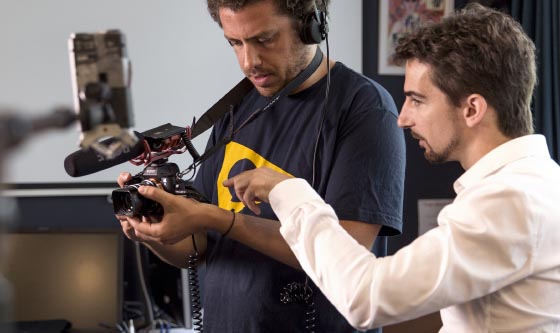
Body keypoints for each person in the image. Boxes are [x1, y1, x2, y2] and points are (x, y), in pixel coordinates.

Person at [223, 3, 560, 332]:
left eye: (417, 100)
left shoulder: (510, 201)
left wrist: (288, 191)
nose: (403, 118)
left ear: (472, 109)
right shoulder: (535, 185)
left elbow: (366, 299)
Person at [116, 0, 406, 332]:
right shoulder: (236, 109)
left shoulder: (366, 110)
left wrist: (216, 218)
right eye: (235, 43)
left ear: (311, 26)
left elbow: (347, 251)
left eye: (264, 39)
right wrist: (151, 231)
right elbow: (199, 248)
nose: (248, 62)